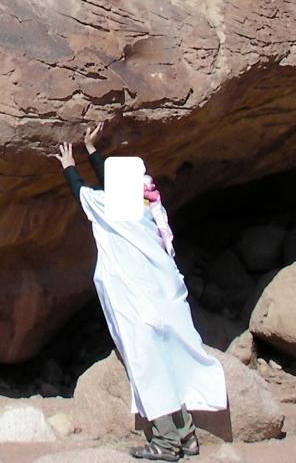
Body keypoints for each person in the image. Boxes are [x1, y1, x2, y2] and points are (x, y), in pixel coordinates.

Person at [58, 122, 227, 461]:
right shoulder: (148, 210)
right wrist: (92, 150)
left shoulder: (111, 212)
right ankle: (187, 436)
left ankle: (165, 444)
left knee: (149, 370)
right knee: (173, 366)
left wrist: (69, 166)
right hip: (167, 305)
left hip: (139, 308)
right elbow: (113, 185)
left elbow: (82, 193)